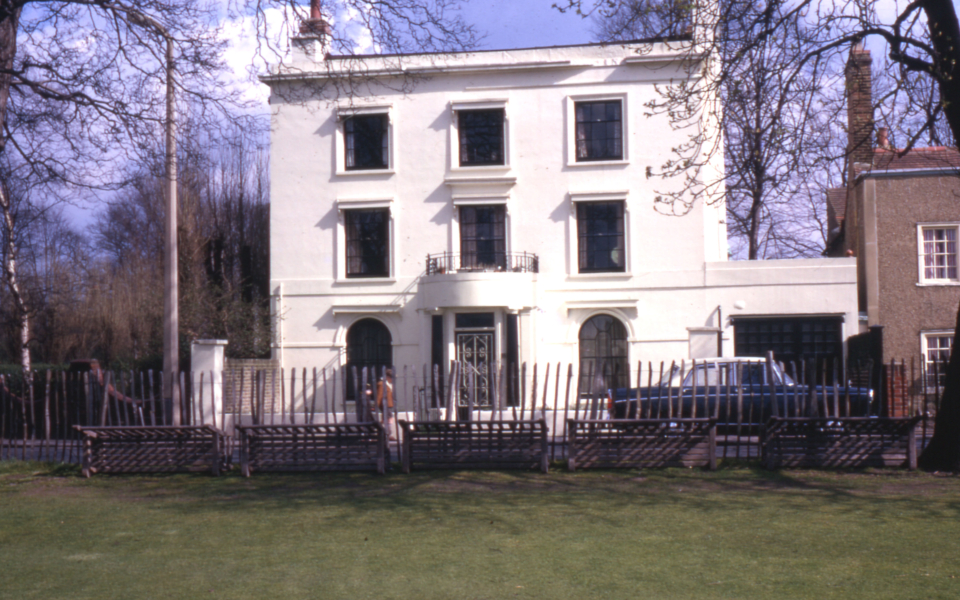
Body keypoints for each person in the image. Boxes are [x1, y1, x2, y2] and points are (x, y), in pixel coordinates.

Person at [376, 368, 397, 441]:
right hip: (384, 405)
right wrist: (377, 405)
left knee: (385, 419)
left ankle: (385, 433)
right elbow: (379, 395)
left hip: (388, 405)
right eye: (392, 378)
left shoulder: (388, 384)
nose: (392, 380)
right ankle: (388, 434)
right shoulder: (382, 384)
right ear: (387, 377)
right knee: (389, 418)